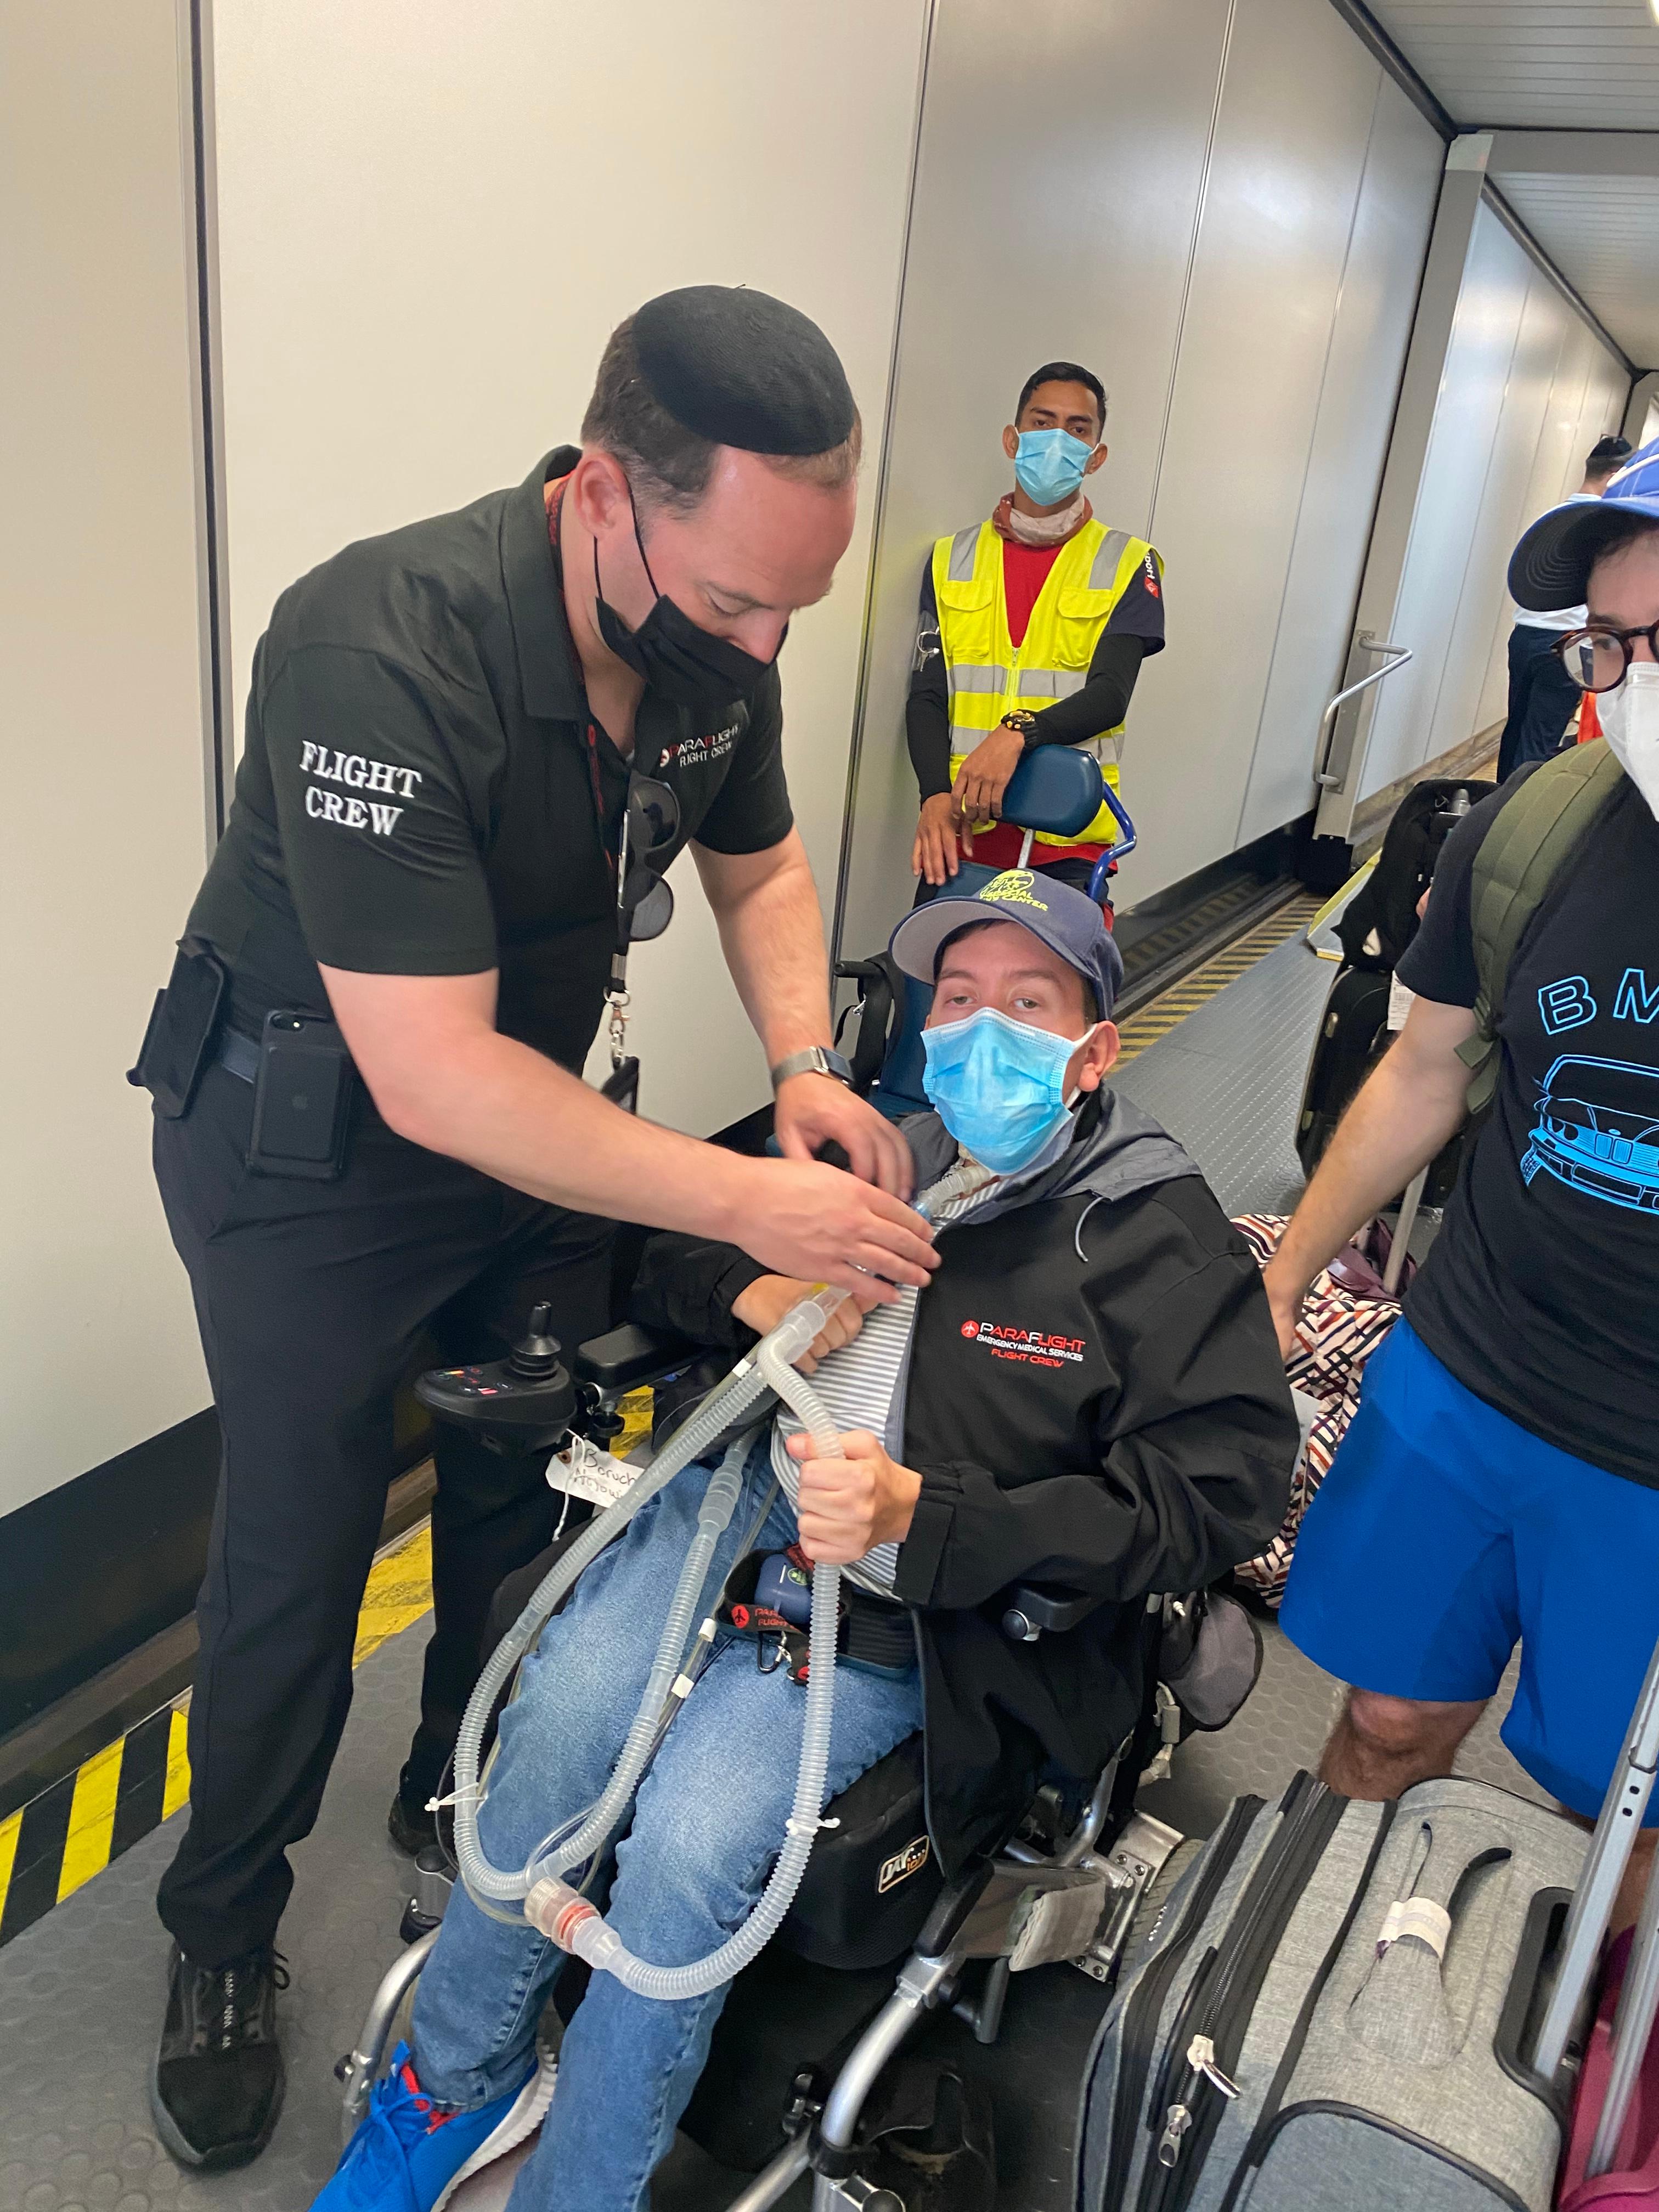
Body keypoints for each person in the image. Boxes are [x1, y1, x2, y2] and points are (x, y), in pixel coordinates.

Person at [134, 285, 945, 2171]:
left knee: (537, 1468)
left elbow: (754, 857)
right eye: (738, 603)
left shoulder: (711, 634)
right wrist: (755, 1192)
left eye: (790, 616)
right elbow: (425, 1075)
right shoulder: (374, 645)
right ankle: (222, 1934)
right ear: (604, 492)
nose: (759, 650)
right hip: (311, 1152)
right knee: (299, 1548)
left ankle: (463, 1795)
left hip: (526, 1129)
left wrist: (807, 1055)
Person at [312, 870, 1297, 2212]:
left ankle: (583, 2187)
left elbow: (1223, 1494)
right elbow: (663, 1259)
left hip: (917, 1597)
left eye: (1028, 1003)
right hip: (744, 1510)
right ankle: (455, 2075)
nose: (981, 1032)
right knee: (553, 1723)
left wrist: (922, 1515)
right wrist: (759, 1279)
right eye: (957, 1001)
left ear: (1094, 1048)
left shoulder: (1152, 1240)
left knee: (690, 1843)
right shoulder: (882, 1148)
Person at [1266, 440, 1659, 1924]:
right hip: (1471, 1377)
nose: (1626, 681)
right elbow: (1426, 1072)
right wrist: (1289, 1267)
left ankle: (1546, 2090)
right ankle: (1287, 1983)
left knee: (1615, 1810)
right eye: (1609, 645)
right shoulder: (1542, 825)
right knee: (1380, 1720)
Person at [907, 363, 1165, 895]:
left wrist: (1018, 732)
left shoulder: (1129, 564)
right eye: (1043, 423)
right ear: (1013, 438)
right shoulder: (950, 558)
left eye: (1077, 429)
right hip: (964, 834)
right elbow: (929, 693)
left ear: (1096, 456)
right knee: (931, 976)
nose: (1058, 441)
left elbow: (1110, 696)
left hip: (1066, 843)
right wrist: (932, 795)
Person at [1496, 433, 1633, 781]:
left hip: (1524, 637)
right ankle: (1513, 813)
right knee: (1540, 738)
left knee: (1517, 728)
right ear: (1614, 475)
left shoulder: (1553, 517)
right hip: (1566, 645)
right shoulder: (1604, 523)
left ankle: (1494, 803)